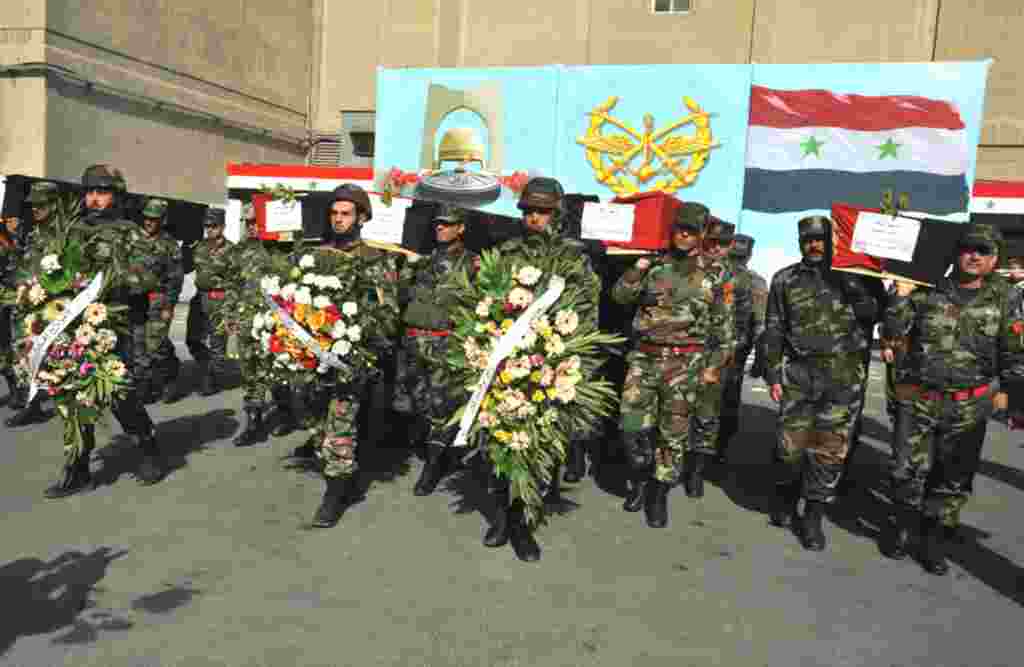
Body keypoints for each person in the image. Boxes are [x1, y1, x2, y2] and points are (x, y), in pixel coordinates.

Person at [884, 224, 1024, 575]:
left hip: (969, 403)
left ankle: (933, 540)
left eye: (982, 251)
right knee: (906, 469)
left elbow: (1013, 350)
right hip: (919, 397)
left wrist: (1010, 395)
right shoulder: (928, 288)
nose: (973, 256)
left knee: (953, 476)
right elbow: (893, 333)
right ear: (956, 253)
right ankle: (902, 527)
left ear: (994, 260)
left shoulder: (1005, 298)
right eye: (967, 248)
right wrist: (900, 296)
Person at [761, 215, 883, 551]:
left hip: (843, 378)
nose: (814, 245)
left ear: (833, 241)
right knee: (790, 449)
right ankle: (786, 495)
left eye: (820, 239)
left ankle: (813, 516)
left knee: (829, 452)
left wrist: (856, 288)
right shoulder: (785, 279)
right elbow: (774, 328)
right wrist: (773, 372)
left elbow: (876, 315)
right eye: (807, 240)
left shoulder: (860, 276)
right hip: (799, 374)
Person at [48, 164, 168, 497]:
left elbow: (149, 275)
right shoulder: (72, 229)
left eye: (101, 192)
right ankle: (78, 466)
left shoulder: (130, 231)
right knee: (74, 395)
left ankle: (148, 449)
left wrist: (108, 285)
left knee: (120, 393)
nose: (94, 198)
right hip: (72, 325)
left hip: (116, 324)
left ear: (115, 195)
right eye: (90, 192)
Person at [613, 201, 734, 527]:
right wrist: (637, 267)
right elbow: (620, 297)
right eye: (679, 228)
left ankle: (657, 493)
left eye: (691, 230)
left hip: (687, 364)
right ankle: (639, 477)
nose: (683, 234)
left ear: (703, 233)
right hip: (645, 358)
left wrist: (713, 367)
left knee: (673, 434)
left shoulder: (716, 272)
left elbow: (724, 330)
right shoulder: (654, 263)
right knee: (631, 426)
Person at [309, 184, 399, 528]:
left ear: (361, 217)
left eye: (346, 213)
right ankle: (336, 467)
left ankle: (335, 494)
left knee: (340, 423)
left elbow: (388, 312)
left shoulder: (375, 259)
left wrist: (359, 337)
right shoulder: (318, 254)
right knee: (320, 421)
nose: (338, 219)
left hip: (350, 359)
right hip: (314, 356)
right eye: (334, 213)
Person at [394, 204, 477, 495]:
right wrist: (407, 269)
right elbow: (400, 297)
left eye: (447, 223)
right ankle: (442, 452)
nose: (440, 227)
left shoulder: (473, 264)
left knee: (443, 406)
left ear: (461, 227)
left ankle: (433, 466)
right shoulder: (422, 260)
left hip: (446, 345)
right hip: (414, 343)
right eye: (438, 223)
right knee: (418, 405)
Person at [6, 181, 64, 427]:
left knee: (56, 358)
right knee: (25, 357)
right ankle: (33, 405)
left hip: (50, 307)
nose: (35, 210)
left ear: (53, 204)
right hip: (26, 307)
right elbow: (23, 265)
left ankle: (72, 408)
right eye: (33, 205)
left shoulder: (64, 235)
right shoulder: (34, 233)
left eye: (41, 205)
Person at [717, 233, 768, 463]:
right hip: (735, 352)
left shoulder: (712, 273)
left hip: (706, 348)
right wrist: (760, 361)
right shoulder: (755, 281)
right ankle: (719, 449)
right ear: (750, 254)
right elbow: (760, 325)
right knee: (728, 397)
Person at [229, 203, 277, 447]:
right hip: (246, 321)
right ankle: (253, 422)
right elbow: (231, 285)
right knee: (249, 372)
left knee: (277, 372)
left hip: (274, 322)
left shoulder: (277, 250)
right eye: (247, 223)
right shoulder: (238, 251)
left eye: (255, 222)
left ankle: (286, 411)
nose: (251, 227)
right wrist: (229, 317)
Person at [137, 198, 184, 404]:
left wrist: (169, 305)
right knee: (139, 346)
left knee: (156, 345)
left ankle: (169, 380)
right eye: (147, 218)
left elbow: (175, 278)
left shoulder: (169, 245)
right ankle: (146, 385)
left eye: (154, 219)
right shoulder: (134, 239)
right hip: (136, 300)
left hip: (158, 300)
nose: (149, 222)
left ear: (162, 220)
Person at [186, 208, 237, 398]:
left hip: (220, 300)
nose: (209, 230)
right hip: (200, 299)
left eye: (214, 226)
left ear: (222, 226)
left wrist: (230, 310)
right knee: (191, 340)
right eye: (207, 226)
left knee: (218, 345)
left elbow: (235, 281)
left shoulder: (232, 250)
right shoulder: (199, 247)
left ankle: (211, 378)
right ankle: (206, 366)